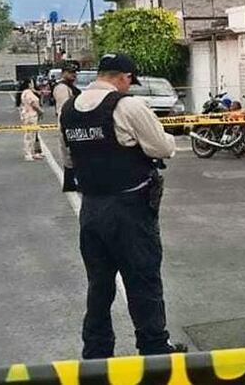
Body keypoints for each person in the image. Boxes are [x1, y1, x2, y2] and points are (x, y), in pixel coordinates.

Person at [59, 53, 185, 359]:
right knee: (143, 279)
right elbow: (162, 147)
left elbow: (68, 159)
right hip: (129, 208)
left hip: (91, 208)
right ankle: (154, 349)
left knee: (99, 285)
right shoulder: (126, 105)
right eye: (130, 82)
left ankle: (97, 353)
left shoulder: (69, 109)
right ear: (124, 77)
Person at [52, 62, 83, 191]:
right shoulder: (62, 88)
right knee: (70, 157)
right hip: (68, 126)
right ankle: (72, 183)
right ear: (63, 73)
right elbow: (64, 109)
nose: (73, 75)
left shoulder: (70, 87)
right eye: (70, 72)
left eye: (75, 73)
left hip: (73, 126)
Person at [18, 79, 44, 161]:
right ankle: (28, 154)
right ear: (29, 84)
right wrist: (40, 111)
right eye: (32, 83)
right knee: (29, 135)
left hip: (27, 115)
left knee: (32, 135)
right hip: (30, 115)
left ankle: (32, 153)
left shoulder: (25, 92)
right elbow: (33, 103)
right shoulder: (28, 92)